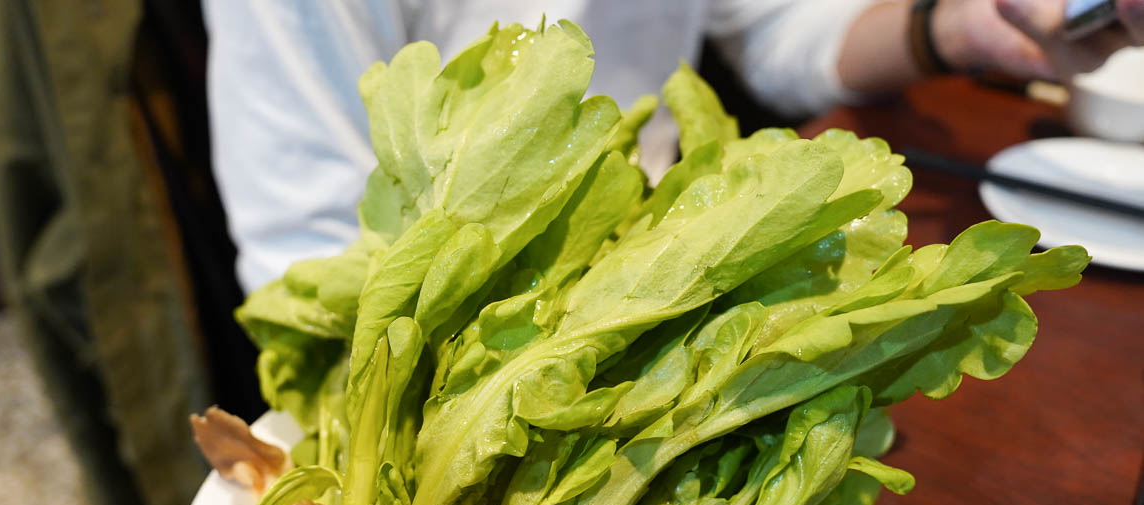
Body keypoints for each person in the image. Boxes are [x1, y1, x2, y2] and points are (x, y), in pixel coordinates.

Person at [201, 0, 1144, 295]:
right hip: (444, 333)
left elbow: (775, 32)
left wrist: (952, 29)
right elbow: (309, 252)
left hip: (670, 267)